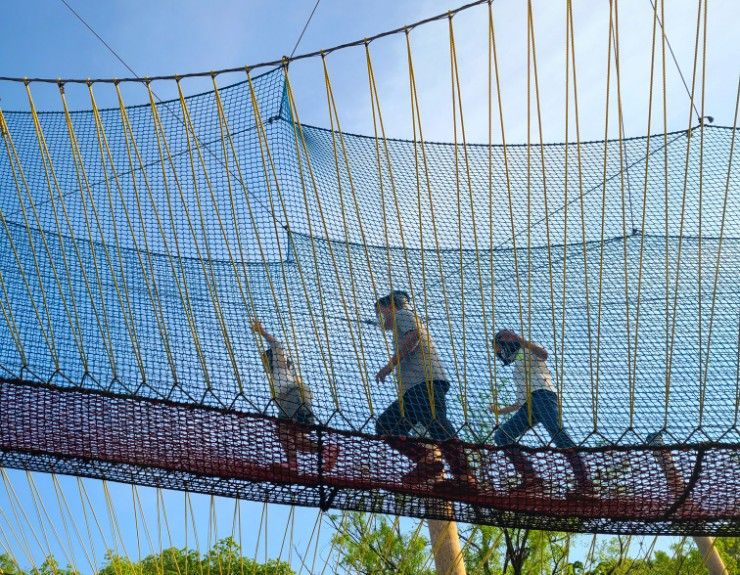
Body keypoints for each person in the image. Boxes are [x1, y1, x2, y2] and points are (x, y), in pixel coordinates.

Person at [374, 290, 478, 493]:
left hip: (425, 382)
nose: (380, 318)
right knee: (386, 426)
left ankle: (465, 475)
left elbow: (414, 337)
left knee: (436, 422)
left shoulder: (403, 314)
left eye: (381, 312)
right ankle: (426, 460)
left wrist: (390, 365)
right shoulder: (398, 324)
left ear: (390, 307)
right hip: (413, 389)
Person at [491, 329, 594, 496]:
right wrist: (501, 411)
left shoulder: (529, 348)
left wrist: (520, 340)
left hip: (543, 396)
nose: (502, 353)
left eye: (502, 347)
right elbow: (520, 401)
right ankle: (531, 479)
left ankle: (585, 484)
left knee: (557, 433)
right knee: (501, 436)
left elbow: (544, 354)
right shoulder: (518, 364)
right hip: (528, 405)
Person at [251, 319, 339, 475]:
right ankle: (326, 450)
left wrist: (262, 331)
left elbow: (277, 346)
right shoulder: (281, 375)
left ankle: (293, 464)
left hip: (292, 395)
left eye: (266, 360)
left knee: (282, 428)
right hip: (293, 398)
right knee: (296, 440)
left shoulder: (280, 367)